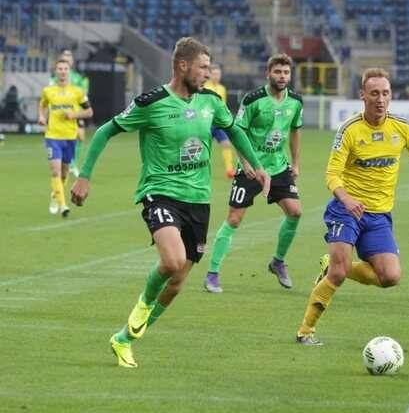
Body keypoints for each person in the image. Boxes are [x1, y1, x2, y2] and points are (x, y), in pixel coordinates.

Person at [70, 37, 270, 368]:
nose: (208, 73)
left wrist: (257, 165)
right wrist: (84, 176)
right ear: (182, 66)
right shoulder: (152, 103)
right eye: (203, 67)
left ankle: (124, 339)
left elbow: (234, 130)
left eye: (209, 67)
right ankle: (142, 308)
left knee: (176, 284)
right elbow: (105, 130)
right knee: (172, 261)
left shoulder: (211, 101)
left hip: (199, 200)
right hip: (160, 192)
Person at [295, 67, 409, 345]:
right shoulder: (350, 130)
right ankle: (306, 330)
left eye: (385, 93)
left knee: (390, 277)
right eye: (374, 93)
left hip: (379, 215)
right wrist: (347, 199)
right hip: (345, 210)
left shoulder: (402, 128)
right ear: (362, 95)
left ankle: (332, 264)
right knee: (338, 274)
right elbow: (332, 174)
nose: (381, 99)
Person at [204, 53, 304, 293]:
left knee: (295, 212)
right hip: (251, 168)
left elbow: (295, 131)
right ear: (268, 74)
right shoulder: (253, 100)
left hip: (278, 167)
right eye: (277, 72)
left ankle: (278, 262)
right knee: (234, 219)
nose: (282, 76)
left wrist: (296, 163)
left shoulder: (295, 101)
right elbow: (238, 132)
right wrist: (244, 162)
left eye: (286, 72)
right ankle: (212, 273)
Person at [39, 58, 93, 217]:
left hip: (70, 137)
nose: (62, 71)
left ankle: (55, 195)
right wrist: (41, 116)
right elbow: (42, 105)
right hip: (52, 136)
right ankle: (62, 205)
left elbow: (89, 112)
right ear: (56, 71)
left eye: (65, 69)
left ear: (69, 71)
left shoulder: (77, 92)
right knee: (55, 172)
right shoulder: (48, 91)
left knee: (64, 173)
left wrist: (74, 115)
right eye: (60, 69)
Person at [51, 50, 89, 177]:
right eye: (65, 56)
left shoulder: (78, 77)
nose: (67, 59)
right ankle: (66, 162)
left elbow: (83, 93)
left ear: (72, 61)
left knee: (80, 137)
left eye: (69, 57)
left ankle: (72, 163)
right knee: (65, 136)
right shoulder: (55, 78)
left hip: (76, 111)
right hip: (61, 112)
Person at [204, 63, 236, 179]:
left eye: (218, 74)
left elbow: (223, 106)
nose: (216, 76)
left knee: (226, 144)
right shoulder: (204, 88)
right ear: (209, 74)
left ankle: (229, 170)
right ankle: (200, 170)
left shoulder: (222, 89)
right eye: (214, 74)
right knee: (203, 148)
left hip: (217, 124)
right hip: (207, 124)